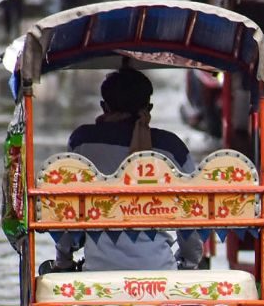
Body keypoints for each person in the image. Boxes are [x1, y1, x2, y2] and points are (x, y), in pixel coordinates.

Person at [52, 68, 203, 272]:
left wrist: (64, 261)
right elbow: (193, 215)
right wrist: (189, 261)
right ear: (148, 107)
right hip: (161, 269)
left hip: (98, 271)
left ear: (103, 107)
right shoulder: (172, 147)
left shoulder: (82, 142)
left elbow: (66, 211)